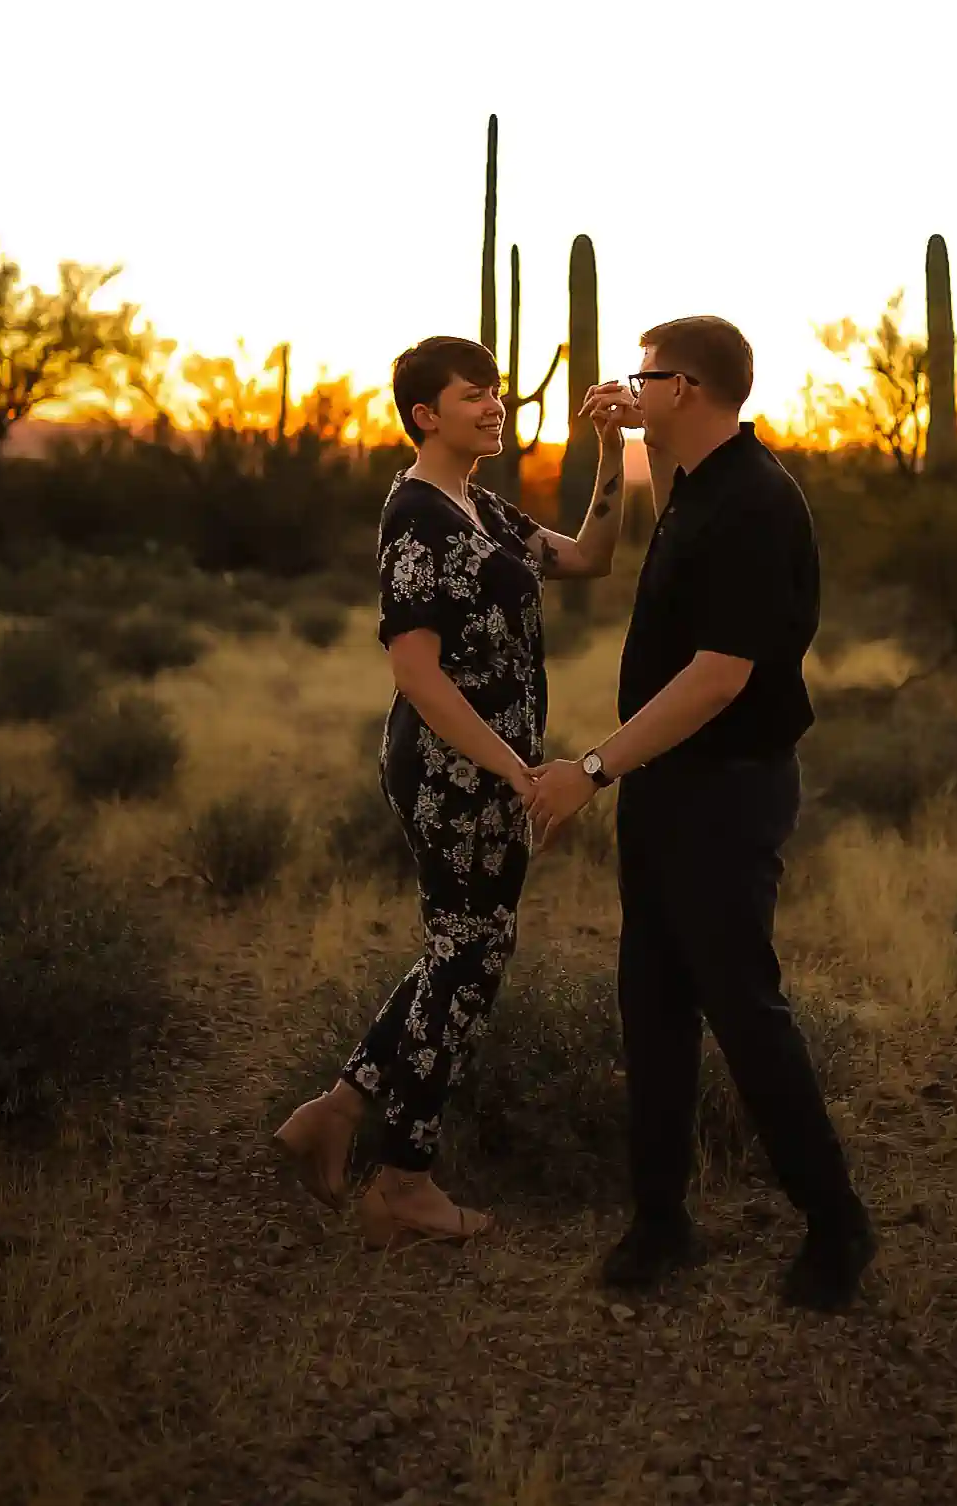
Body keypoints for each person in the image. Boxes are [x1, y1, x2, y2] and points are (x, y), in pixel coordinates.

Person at [530, 316, 877, 1311]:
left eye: (643, 377)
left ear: (683, 386)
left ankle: (836, 1221)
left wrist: (591, 767)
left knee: (743, 1006)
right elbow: (610, 550)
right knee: (653, 998)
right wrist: (610, 442)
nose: (629, 389)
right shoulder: (696, 486)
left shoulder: (756, 504)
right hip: (668, 787)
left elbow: (720, 678)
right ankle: (660, 1218)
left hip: (727, 788)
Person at [274, 334, 627, 1245]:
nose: (495, 406)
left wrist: (614, 453)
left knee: (461, 951)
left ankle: (339, 1113)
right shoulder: (419, 517)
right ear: (427, 414)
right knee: (471, 954)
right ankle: (404, 1178)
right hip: (450, 771)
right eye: (476, 395)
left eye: (498, 392)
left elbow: (590, 558)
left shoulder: (479, 508)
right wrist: (515, 770)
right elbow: (416, 673)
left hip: (489, 771)